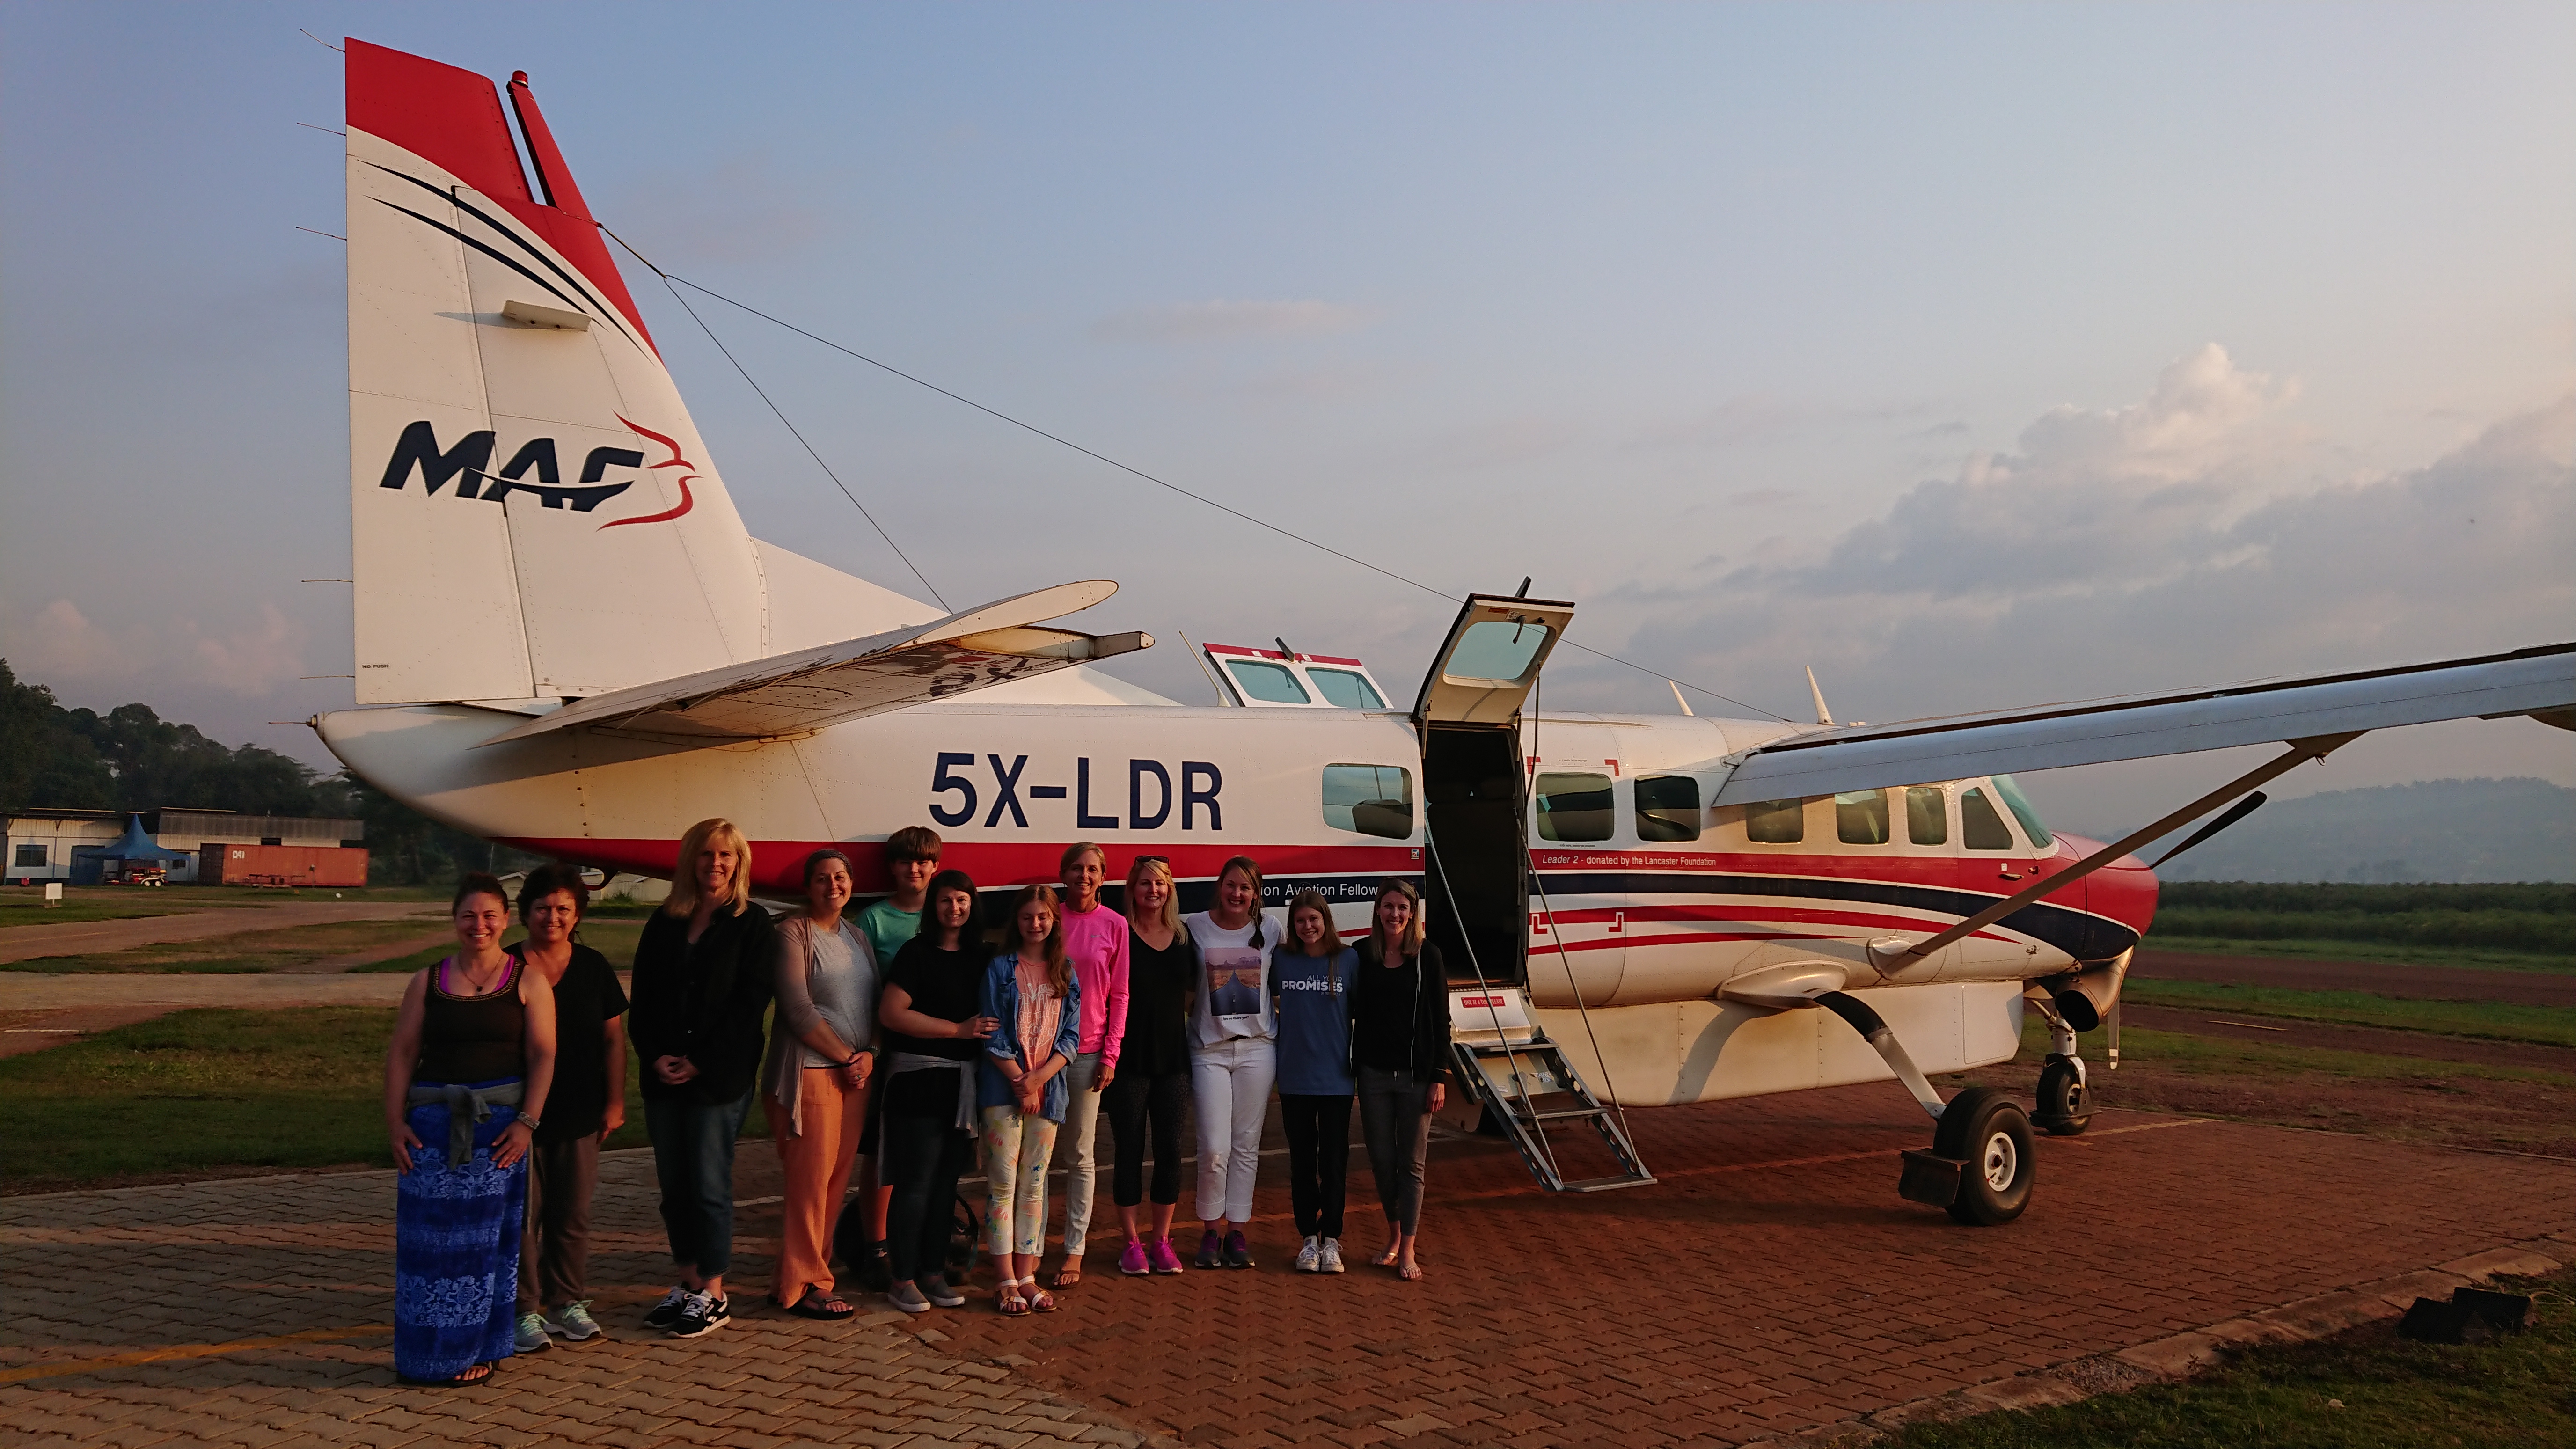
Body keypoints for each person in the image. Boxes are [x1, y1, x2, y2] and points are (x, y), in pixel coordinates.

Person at [385, 873, 558, 1387]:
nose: (478, 925)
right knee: (426, 1247)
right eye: (468, 915)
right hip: (431, 1130)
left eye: (489, 916)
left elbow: (543, 1054)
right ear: (454, 920)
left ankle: (475, 1350)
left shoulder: (528, 980)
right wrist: (394, 1122)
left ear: (505, 920)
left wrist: (528, 1122)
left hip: (498, 1133)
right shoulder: (427, 980)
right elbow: (402, 1053)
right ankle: (422, 1354)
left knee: (484, 1249)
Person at [629, 818, 778, 1339]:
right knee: (675, 1186)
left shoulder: (752, 923)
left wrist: (701, 1060)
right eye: (706, 855)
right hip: (664, 1077)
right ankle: (689, 1282)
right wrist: (654, 1057)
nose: (716, 865)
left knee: (709, 1185)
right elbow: (642, 1001)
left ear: (739, 864)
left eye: (726, 857)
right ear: (689, 861)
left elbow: (749, 1005)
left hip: (718, 1079)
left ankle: (714, 1292)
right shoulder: (664, 923)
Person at [509, 864, 626, 1354]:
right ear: (526, 913)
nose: (552, 917)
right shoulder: (509, 966)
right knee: (522, 1216)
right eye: (543, 908)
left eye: (563, 909)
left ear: (577, 913)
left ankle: (566, 1302)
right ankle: (523, 1310)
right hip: (519, 1116)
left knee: (571, 1214)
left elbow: (613, 1040)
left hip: (580, 1109)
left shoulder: (594, 966)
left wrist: (616, 1101)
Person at [761, 849, 879, 1320]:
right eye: (823, 879)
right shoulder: (793, 932)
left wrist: (867, 1054)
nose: (834, 886)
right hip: (810, 1073)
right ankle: (810, 1285)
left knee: (833, 1183)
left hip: (854, 1078)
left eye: (841, 878)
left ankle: (797, 1278)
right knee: (808, 1184)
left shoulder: (856, 936)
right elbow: (796, 1009)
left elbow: (873, 1005)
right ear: (808, 887)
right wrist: (845, 1056)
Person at [876, 868, 1000, 1314]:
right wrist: (957, 1030)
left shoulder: (981, 956)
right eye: (947, 901)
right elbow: (893, 1013)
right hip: (919, 1081)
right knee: (916, 1183)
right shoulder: (917, 952)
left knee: (946, 1184)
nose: (955, 909)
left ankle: (933, 1271)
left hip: (962, 1086)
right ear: (934, 906)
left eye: (963, 901)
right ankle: (902, 1277)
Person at [844, 825, 942, 1289]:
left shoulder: (945, 915)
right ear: (892, 867)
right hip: (887, 1051)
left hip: (937, 1054)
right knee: (881, 1154)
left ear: (935, 867)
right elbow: (859, 992)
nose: (915, 869)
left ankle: (919, 1241)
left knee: (927, 1155)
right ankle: (875, 1246)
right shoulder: (874, 921)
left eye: (923, 861)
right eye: (906, 861)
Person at [979, 885, 1082, 1315]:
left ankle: (1026, 1276)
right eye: (1027, 917)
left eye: (1043, 916)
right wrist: (1022, 1080)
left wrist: (1040, 1080)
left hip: (1048, 1092)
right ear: (1016, 921)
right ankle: (1003, 1279)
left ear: (1054, 920)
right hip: (1004, 1091)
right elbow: (991, 1030)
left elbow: (1072, 1036)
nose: (1035, 924)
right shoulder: (999, 968)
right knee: (1003, 1186)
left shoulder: (1066, 970)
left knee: (1034, 1185)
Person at [1348, 878, 1452, 1281]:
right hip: (1373, 1075)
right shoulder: (1361, 954)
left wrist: (1439, 1076)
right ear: (1378, 910)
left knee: (1412, 1165)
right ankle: (1393, 1237)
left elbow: (1441, 1020)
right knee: (1380, 1160)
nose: (1395, 914)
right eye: (1388, 906)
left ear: (1413, 915)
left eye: (1402, 908)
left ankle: (1408, 1247)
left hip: (1415, 1077)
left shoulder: (1429, 956)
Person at [1184, 856, 1282, 1269]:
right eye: (1231, 885)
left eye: (1245, 888)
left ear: (1256, 894)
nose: (1237, 894)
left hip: (1257, 1049)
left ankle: (1237, 1230)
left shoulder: (1272, 930)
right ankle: (1210, 1230)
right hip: (1209, 1051)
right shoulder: (1193, 927)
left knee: (1246, 1146)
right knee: (1213, 1148)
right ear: (1219, 886)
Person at [1104, 855, 1194, 1276]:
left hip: (1173, 1061)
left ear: (1170, 889)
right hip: (1128, 1061)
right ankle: (1132, 1243)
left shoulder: (1182, 936)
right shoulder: (1120, 932)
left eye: (1160, 884)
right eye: (1144, 884)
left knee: (1171, 1150)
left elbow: (1191, 995)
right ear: (1132, 890)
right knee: (1129, 1150)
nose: (1152, 891)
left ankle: (1161, 1240)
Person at [1046, 842, 1128, 1288]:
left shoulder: (1115, 925)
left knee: (1080, 1156)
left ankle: (1074, 1250)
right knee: (1035, 1159)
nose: (1084, 875)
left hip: (1089, 1054)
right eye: (1077, 868)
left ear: (1103, 877)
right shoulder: (1048, 918)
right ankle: (1029, 1246)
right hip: (1041, 1053)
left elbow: (1121, 994)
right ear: (1064, 874)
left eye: (1092, 869)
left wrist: (1111, 1055)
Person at [1273, 888, 1357, 1275]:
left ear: (1326, 921)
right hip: (1294, 1079)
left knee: (1335, 1162)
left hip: (1338, 1081)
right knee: (1303, 1163)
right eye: (1300, 921)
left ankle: (1333, 1239)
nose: (1308, 927)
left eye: (1314, 920)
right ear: (1293, 925)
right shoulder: (1282, 960)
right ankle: (1309, 1238)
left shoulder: (1348, 960)